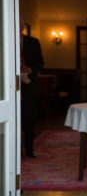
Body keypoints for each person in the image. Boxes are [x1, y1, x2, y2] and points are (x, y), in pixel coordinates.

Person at [20, 22, 44, 158]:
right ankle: (13, 150)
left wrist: (31, 69)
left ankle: (29, 149)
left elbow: (40, 62)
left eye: (20, 25)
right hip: (9, 89)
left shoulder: (33, 42)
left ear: (23, 27)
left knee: (29, 119)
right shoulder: (5, 40)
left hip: (29, 87)